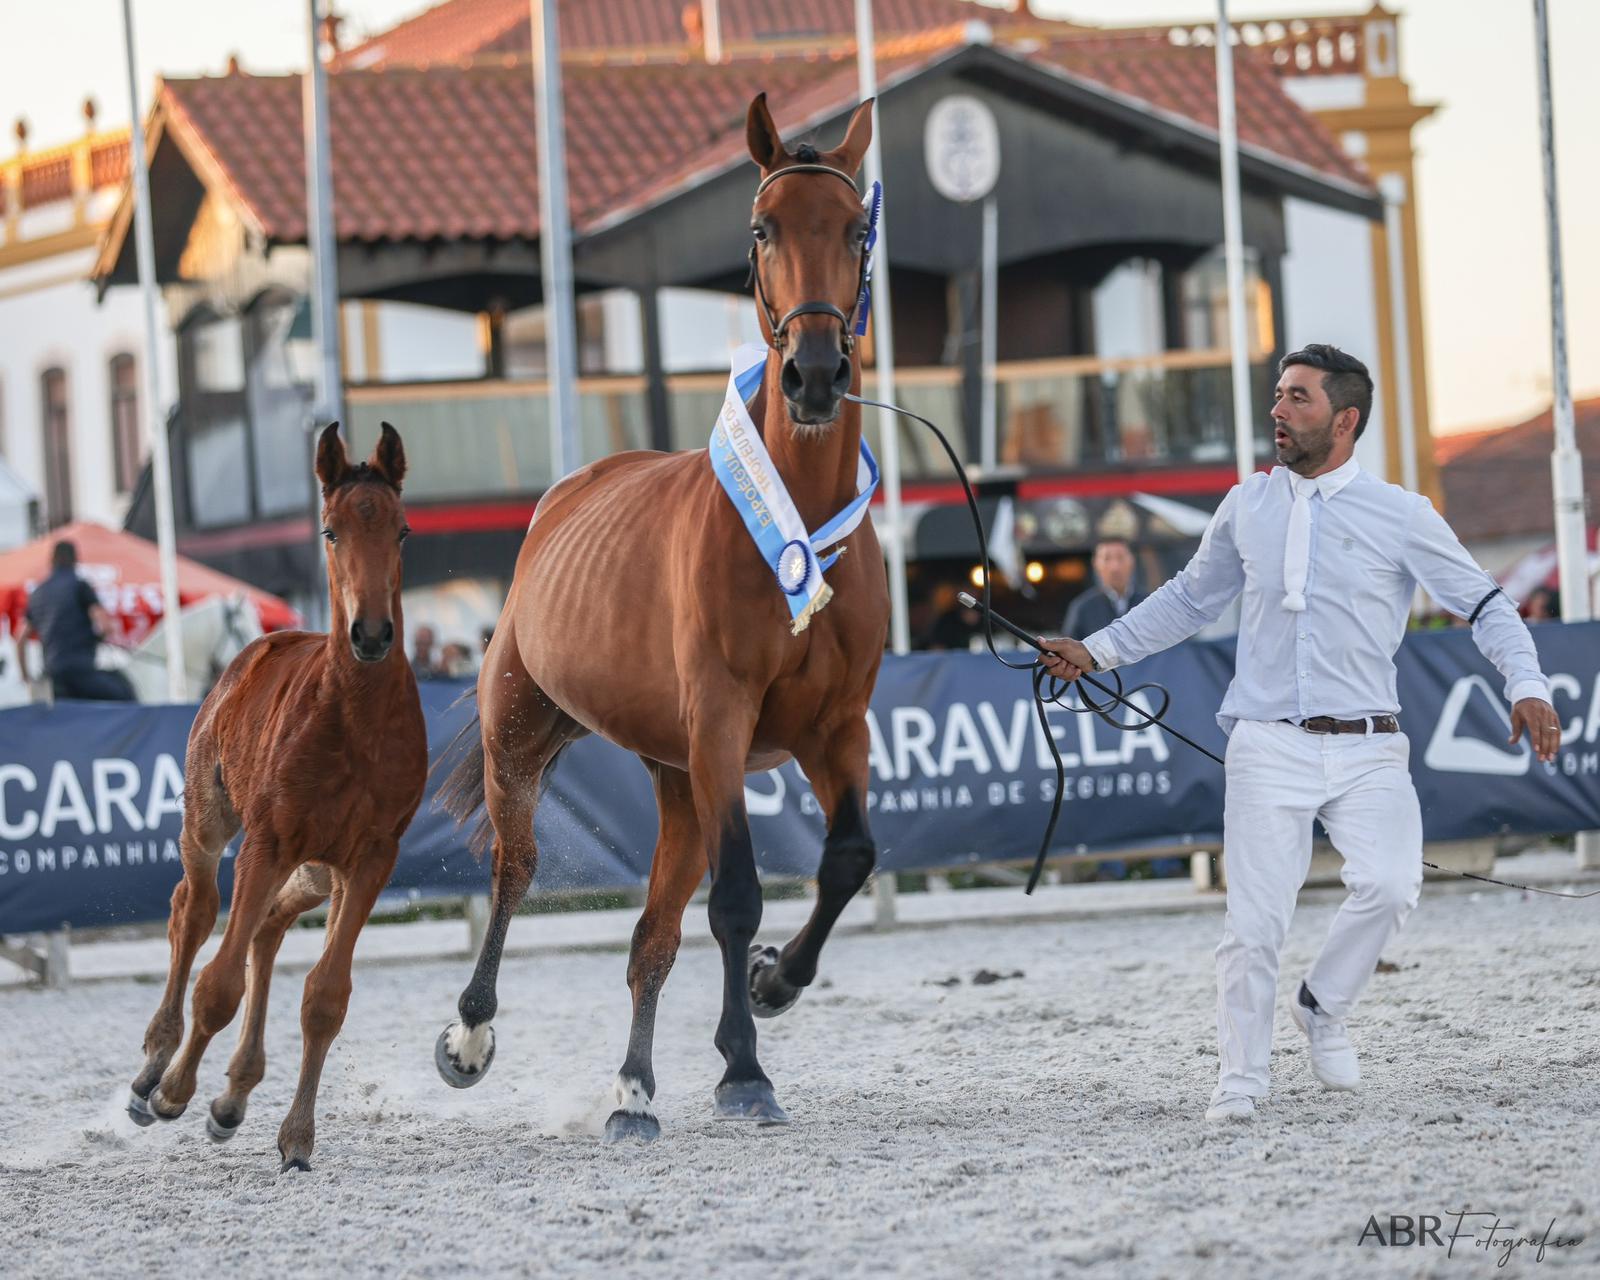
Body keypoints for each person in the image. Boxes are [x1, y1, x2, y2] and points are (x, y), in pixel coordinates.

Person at [1037, 344, 1561, 1123]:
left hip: (1370, 744)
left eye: (1298, 398)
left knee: (1391, 885)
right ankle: (1240, 1081)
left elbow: (1484, 604)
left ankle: (1322, 1004)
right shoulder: (1246, 504)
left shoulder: (1402, 513)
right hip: (1267, 740)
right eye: (1279, 394)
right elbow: (1187, 599)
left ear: (1345, 420)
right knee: (1252, 925)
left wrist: (1527, 683)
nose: (1277, 410)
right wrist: (1096, 651)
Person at [16, 539, 136, 702]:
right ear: (75, 560)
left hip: (53, 678)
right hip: (81, 672)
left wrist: (26, 677)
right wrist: (95, 639)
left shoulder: (37, 593)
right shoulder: (80, 587)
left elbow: (20, 639)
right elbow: (105, 626)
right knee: (124, 692)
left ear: (52, 561)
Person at [1063, 536, 1145, 636]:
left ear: (1132, 561)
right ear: (1095, 564)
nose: (1115, 567)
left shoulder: (1148, 603)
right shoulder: (1082, 608)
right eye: (1107, 559)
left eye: (1120, 557)